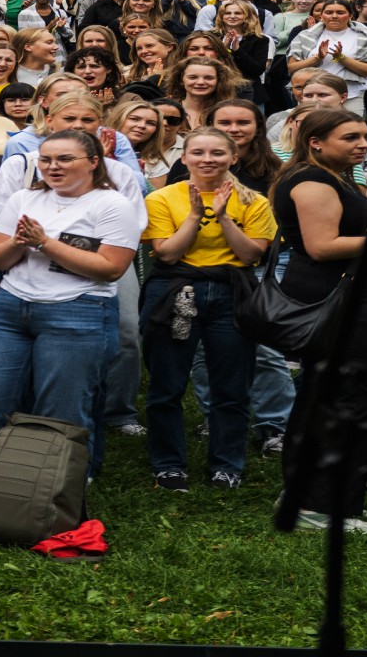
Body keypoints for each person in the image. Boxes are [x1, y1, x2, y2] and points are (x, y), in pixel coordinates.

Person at [272, 109, 367, 533]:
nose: (363, 145)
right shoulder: (312, 181)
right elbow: (322, 246)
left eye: (366, 136)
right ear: (315, 141)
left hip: (344, 299)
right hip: (333, 301)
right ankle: (321, 508)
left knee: (323, 396)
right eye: (350, 137)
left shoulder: (333, 176)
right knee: (352, 400)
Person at [0, 128, 142, 478]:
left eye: (65, 159)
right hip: (10, 310)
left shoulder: (112, 204)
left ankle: (56, 490)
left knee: (61, 411)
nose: (53, 167)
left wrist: (44, 242)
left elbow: (110, 269)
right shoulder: (23, 199)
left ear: (94, 162)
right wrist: (18, 242)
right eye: (46, 159)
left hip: (77, 311)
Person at [140, 126, 274, 492]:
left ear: (234, 158)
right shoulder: (162, 198)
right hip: (174, 290)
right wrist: (196, 217)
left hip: (233, 292)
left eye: (217, 153)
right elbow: (166, 253)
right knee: (167, 384)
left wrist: (225, 217)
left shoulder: (254, 201)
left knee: (231, 386)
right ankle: (168, 465)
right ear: (184, 158)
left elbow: (251, 254)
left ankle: (226, 465)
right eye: (198, 152)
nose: (207, 160)